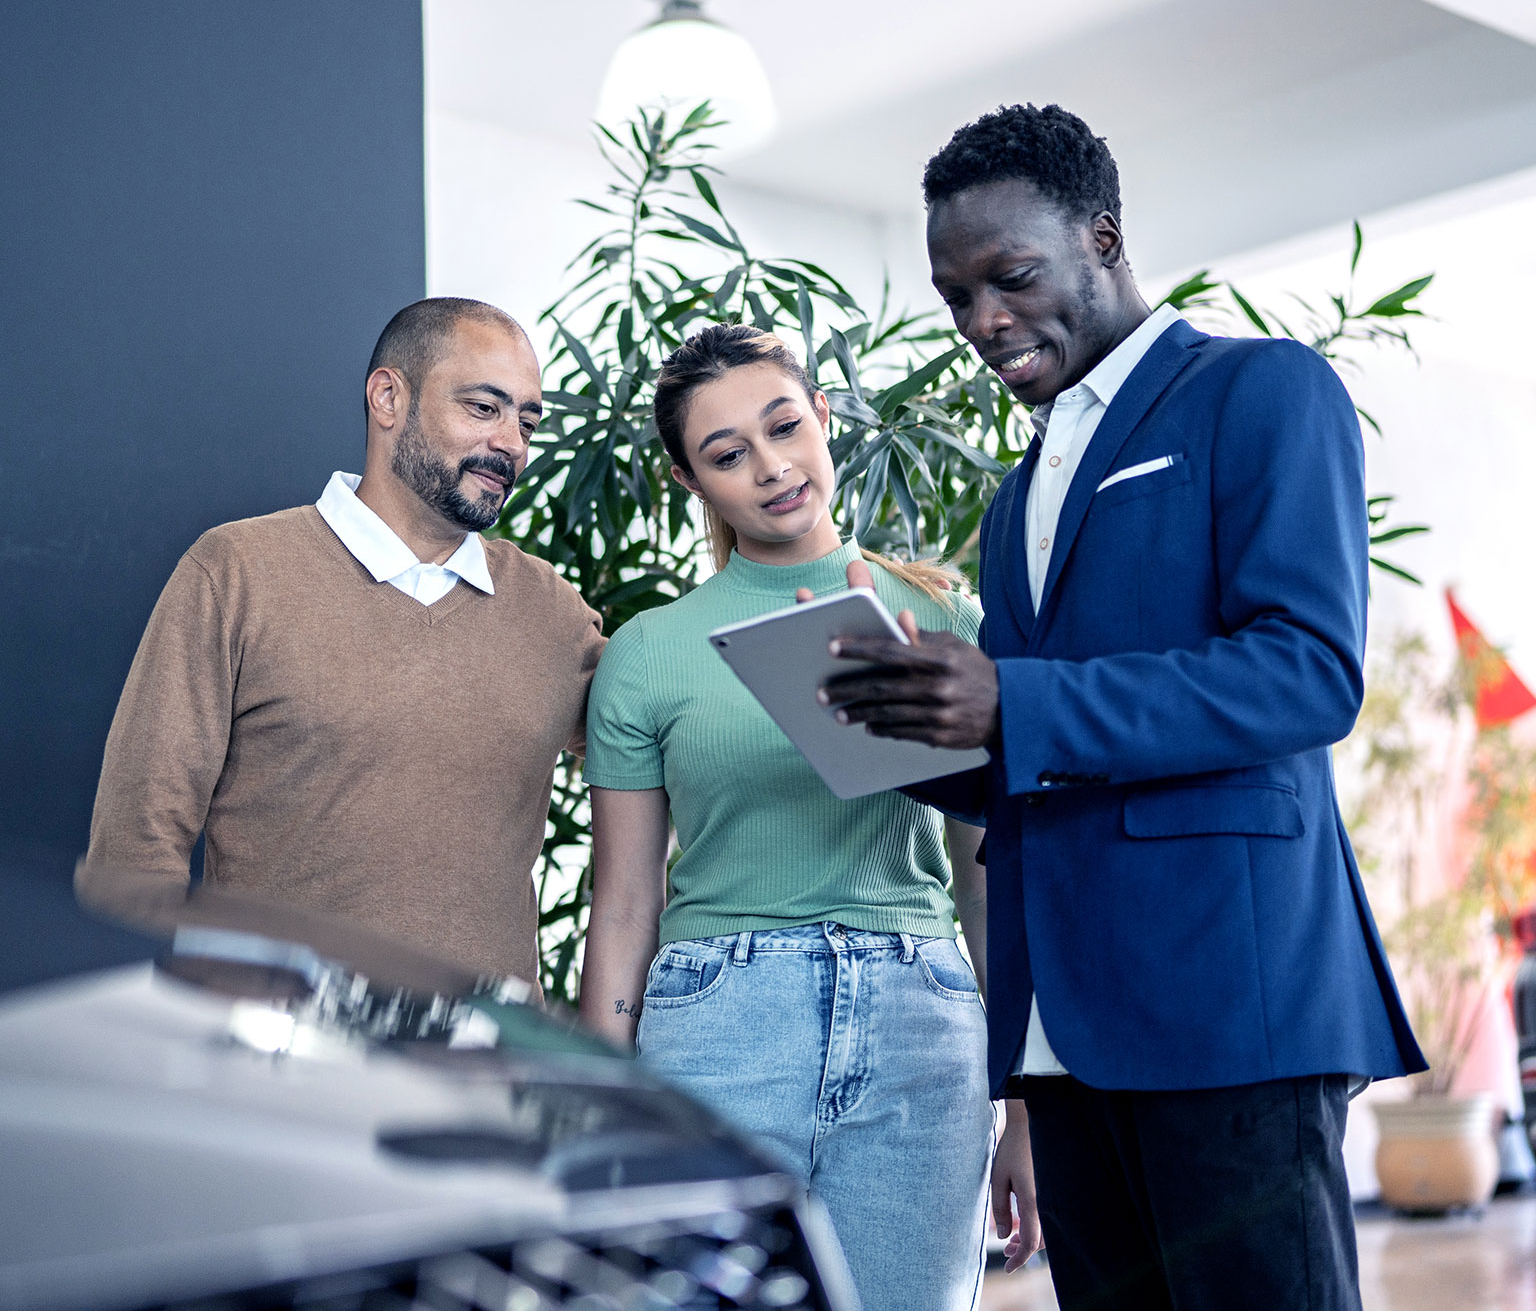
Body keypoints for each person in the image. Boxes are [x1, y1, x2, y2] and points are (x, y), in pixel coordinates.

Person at [821, 104, 1427, 1311]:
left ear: (1103, 237)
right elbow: (1033, 747)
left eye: (1012, 277)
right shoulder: (1012, 501)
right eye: (956, 297)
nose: (984, 321)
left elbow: (1307, 671)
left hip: (1225, 1001)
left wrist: (1011, 696)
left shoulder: (1260, 390)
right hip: (1065, 1022)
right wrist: (891, 731)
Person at [577, 323, 999, 1311]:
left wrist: (1024, 1104)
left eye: (785, 427)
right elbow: (625, 902)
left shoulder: (946, 620)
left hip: (921, 1028)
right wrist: (599, 1108)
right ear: (692, 482)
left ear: (823, 419)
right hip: (718, 1024)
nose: (772, 468)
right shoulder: (651, 652)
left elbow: (989, 871)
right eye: (728, 454)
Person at [77, 298, 604, 986]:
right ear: (389, 397)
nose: (513, 443)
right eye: (484, 408)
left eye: (526, 421)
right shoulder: (236, 570)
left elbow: (681, 749)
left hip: (482, 1069)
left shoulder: (551, 611)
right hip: (280, 1061)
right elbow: (135, 848)